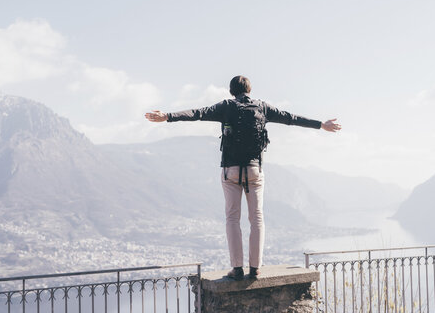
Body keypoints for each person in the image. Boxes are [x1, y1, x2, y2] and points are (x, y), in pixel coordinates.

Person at [145, 75, 341, 280]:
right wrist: (321, 125)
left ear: (232, 91)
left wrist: (166, 116)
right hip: (255, 169)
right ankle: (255, 268)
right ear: (249, 89)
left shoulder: (226, 106)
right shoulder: (262, 107)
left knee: (232, 218)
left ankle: (237, 268)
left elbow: (197, 113)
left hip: (231, 171)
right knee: (256, 217)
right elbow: (291, 118)